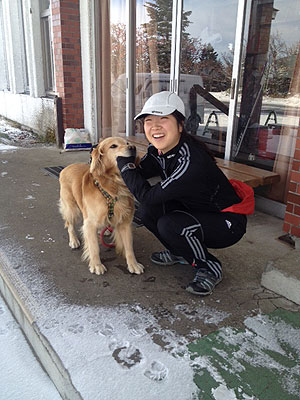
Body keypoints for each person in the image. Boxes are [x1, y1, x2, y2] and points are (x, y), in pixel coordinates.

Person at [116, 91, 254, 296]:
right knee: (148, 211)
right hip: (194, 210)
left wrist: (123, 163)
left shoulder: (191, 161)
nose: (154, 126)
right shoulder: (158, 151)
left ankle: (209, 267)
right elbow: (141, 175)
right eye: (148, 120)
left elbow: (144, 192)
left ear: (181, 125)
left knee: (169, 223)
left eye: (164, 119)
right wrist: (125, 161)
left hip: (227, 223)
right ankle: (180, 252)